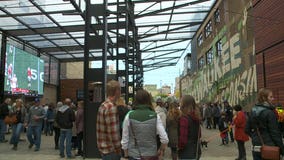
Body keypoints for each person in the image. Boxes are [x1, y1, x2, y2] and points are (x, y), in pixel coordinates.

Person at [121, 89, 169, 160]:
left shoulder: (129, 115)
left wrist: (126, 155)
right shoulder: (155, 116)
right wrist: (161, 150)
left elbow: (125, 139)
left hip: (134, 155)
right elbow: (165, 139)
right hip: (151, 155)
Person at [245, 88, 284, 160]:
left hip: (256, 148)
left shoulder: (252, 111)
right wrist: (281, 150)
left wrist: (255, 137)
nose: (273, 99)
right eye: (271, 97)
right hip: (270, 148)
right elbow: (275, 134)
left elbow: (246, 129)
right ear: (264, 98)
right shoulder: (269, 113)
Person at [96, 80, 122, 160]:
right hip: (112, 151)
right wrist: (119, 150)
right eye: (120, 90)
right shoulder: (111, 108)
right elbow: (113, 133)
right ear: (117, 91)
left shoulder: (103, 105)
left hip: (104, 150)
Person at [178, 95, 201, 160]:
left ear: (184, 105)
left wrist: (178, 147)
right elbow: (199, 135)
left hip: (186, 153)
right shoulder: (197, 117)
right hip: (196, 151)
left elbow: (182, 139)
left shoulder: (184, 119)